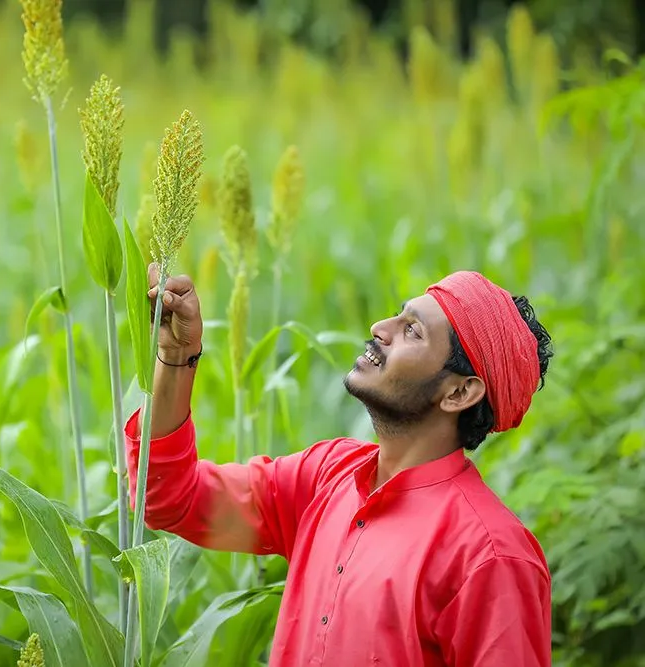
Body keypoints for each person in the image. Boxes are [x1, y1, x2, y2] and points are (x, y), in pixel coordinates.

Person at [124, 265, 555, 666]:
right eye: (396, 316)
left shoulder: (490, 558)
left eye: (412, 332)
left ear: (460, 393)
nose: (380, 329)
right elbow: (168, 496)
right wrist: (176, 356)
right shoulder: (328, 476)